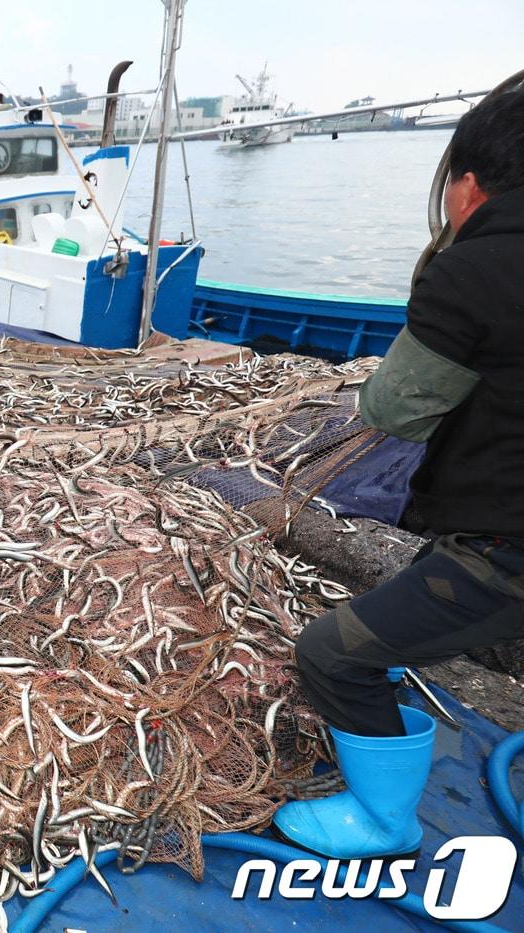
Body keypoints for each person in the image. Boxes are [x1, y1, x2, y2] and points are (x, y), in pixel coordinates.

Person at [277, 87, 524, 860]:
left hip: (507, 548)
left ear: (469, 182)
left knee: (333, 650)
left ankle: (384, 823)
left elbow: (396, 408)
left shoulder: (475, 267)